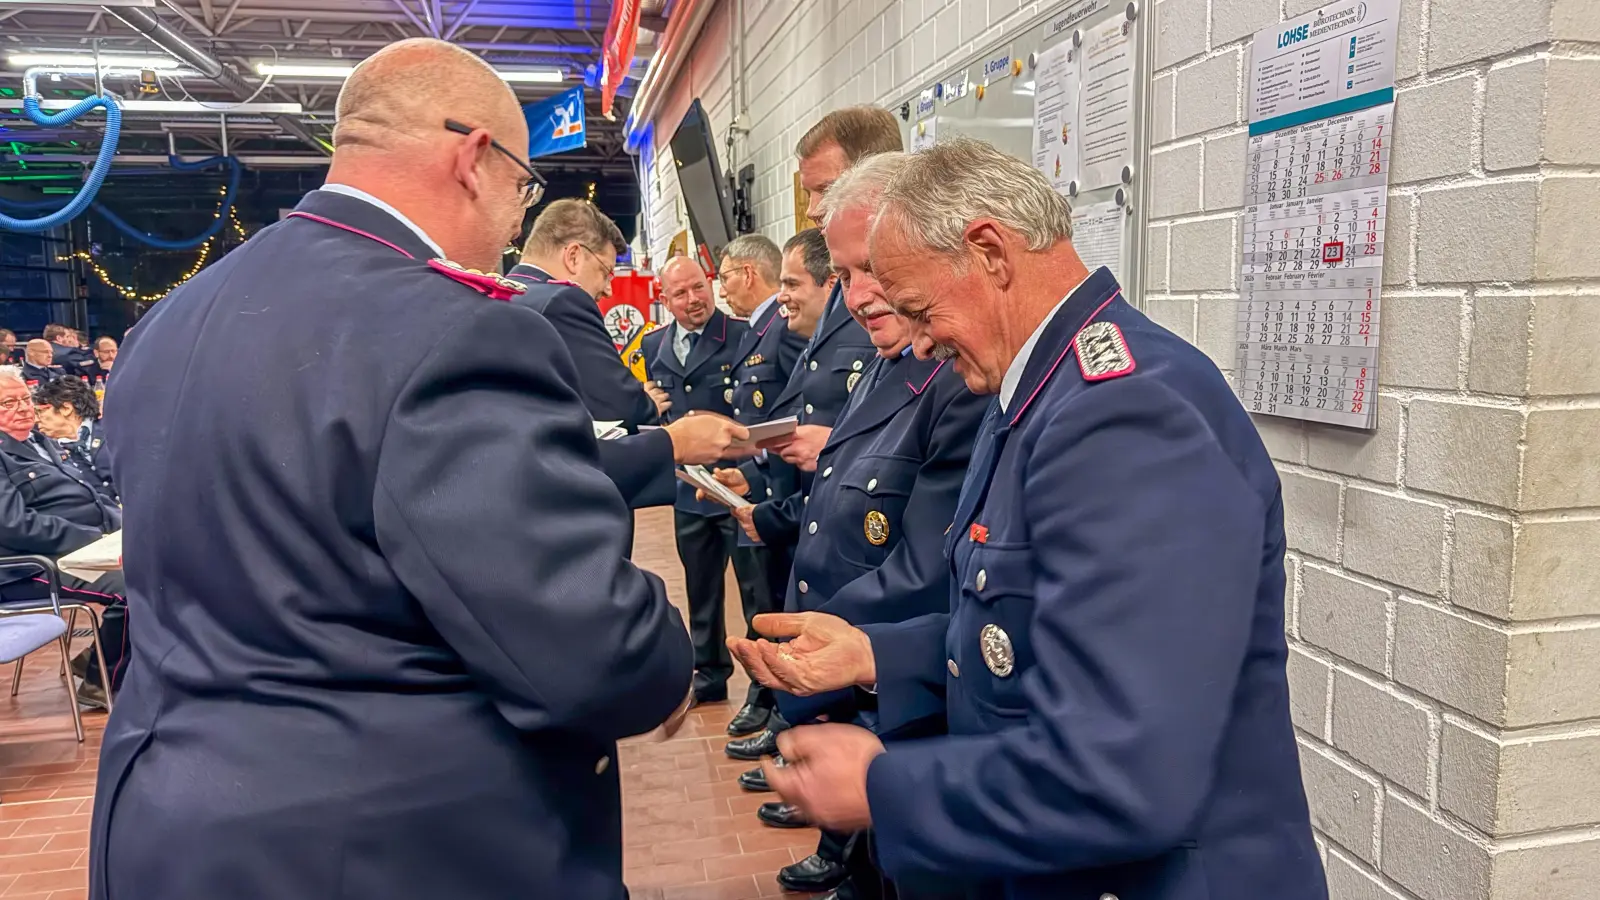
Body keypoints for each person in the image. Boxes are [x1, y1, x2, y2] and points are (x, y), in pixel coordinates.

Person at [90, 38, 700, 900]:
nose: (516, 220)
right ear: (475, 157)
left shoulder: (173, 319)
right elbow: (578, 646)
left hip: (167, 825)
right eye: (524, 188)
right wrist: (660, 651)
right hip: (395, 842)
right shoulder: (458, 327)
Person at [729, 138, 1327, 900]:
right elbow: (1015, 637)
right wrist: (875, 656)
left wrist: (884, 787)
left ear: (988, 253)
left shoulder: (1122, 415)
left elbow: (1122, 768)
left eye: (919, 309)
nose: (915, 340)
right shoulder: (1037, 395)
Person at [724, 153, 987, 900]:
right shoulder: (889, 357)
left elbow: (927, 566)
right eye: (842, 275)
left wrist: (822, 642)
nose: (860, 295)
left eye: (872, 267)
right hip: (864, 670)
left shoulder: (953, 373)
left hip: (901, 683)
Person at [639, 256, 749, 705]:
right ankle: (709, 675)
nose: (692, 301)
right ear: (665, 300)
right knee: (700, 589)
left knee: (756, 593)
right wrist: (645, 404)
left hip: (736, 487)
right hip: (688, 490)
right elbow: (647, 414)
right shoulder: (652, 346)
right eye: (679, 294)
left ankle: (765, 687)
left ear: (711, 286)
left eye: (698, 288)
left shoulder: (743, 336)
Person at [716, 233, 808, 737]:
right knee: (761, 601)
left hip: (785, 494)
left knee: (777, 604)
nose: (722, 288)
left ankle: (777, 704)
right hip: (764, 485)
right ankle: (767, 696)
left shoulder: (784, 326)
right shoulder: (758, 328)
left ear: (748, 273)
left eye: (725, 275)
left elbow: (797, 412)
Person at [0, 368, 127, 709]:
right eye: (8, 403)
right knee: (134, 588)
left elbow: (90, 495)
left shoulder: (40, 442)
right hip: (27, 569)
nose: (24, 407)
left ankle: (93, 658)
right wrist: (92, 539)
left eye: (26, 399)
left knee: (165, 570)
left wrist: (127, 526)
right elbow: (16, 525)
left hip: (75, 551)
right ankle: (103, 683)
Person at [507, 198, 660, 431]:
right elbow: (622, 409)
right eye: (605, 272)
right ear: (574, 257)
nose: (609, 289)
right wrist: (649, 405)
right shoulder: (562, 302)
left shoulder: (499, 294)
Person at [32, 375, 114, 500]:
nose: (36, 419)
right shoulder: (45, 451)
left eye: (40, 411)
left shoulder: (112, 429)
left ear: (66, 408)